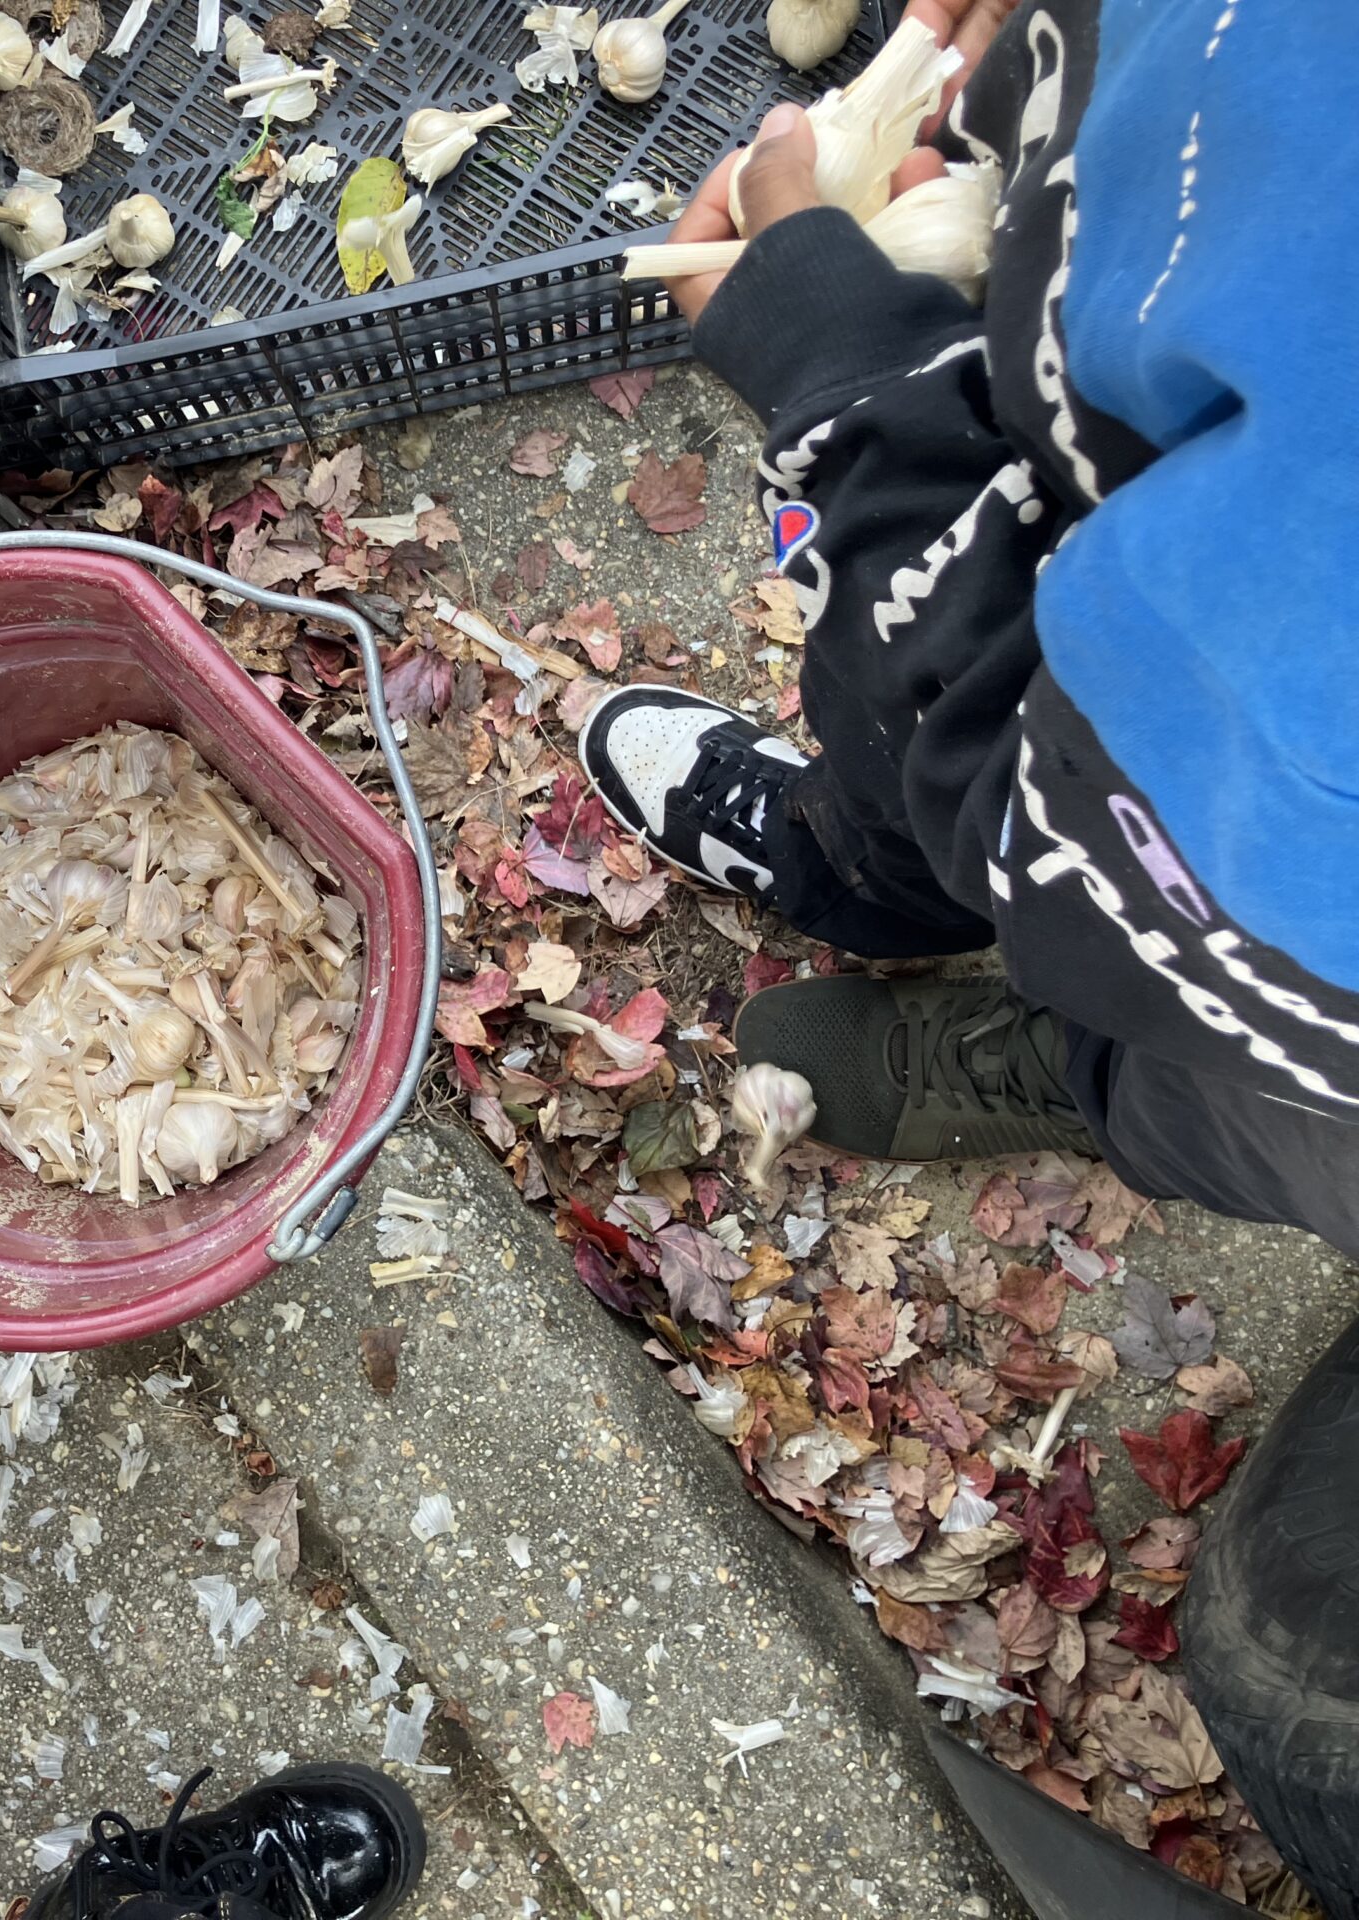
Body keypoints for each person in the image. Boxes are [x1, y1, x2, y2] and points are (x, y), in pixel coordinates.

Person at [572, 0, 1359, 1906]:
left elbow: (1060, 784)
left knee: (1284, 1656)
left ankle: (1086, 1035)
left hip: (1302, 980)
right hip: (1245, 847)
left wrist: (846, 389)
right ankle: (1009, 936)